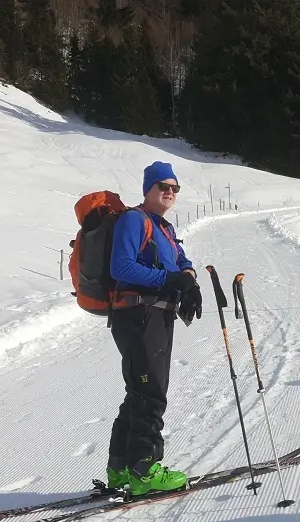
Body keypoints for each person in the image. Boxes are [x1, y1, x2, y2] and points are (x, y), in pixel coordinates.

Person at [105, 160, 203, 496]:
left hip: (156, 315)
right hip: (138, 315)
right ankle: (145, 472)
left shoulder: (164, 228)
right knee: (150, 393)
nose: (170, 192)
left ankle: (120, 470)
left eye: (175, 188)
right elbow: (121, 267)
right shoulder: (134, 220)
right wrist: (169, 278)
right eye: (163, 186)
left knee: (139, 391)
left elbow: (182, 261)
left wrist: (188, 282)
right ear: (148, 189)